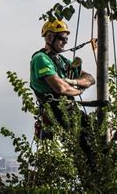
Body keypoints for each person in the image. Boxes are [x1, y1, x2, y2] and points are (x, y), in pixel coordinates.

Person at [30, 19, 95, 149]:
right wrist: (79, 91)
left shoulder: (63, 61)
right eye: (62, 38)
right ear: (49, 37)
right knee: (86, 147)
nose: (65, 41)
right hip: (55, 111)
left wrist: (74, 81)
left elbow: (90, 78)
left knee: (95, 134)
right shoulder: (41, 59)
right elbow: (59, 87)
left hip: (69, 109)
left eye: (66, 39)